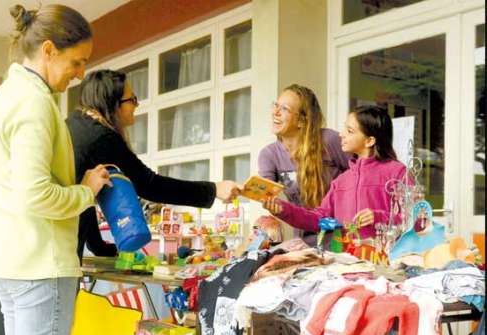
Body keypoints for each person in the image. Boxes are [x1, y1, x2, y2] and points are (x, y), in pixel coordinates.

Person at [0, 4, 110, 335]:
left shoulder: (5, 94)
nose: (81, 73)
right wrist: (86, 190)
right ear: (49, 50)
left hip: (9, 259)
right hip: (39, 263)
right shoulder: (34, 103)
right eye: (77, 62)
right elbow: (36, 193)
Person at [66, 69, 242, 259]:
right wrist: (214, 190)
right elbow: (150, 185)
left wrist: (98, 246)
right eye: (131, 99)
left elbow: (84, 193)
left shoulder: (76, 125)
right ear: (113, 104)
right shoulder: (101, 137)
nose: (136, 105)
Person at [262, 105, 407, 240]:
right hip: (347, 262)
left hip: (386, 263)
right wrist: (283, 209)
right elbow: (319, 220)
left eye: (349, 131)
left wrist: (379, 218)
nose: (341, 134)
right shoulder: (341, 181)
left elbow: (416, 219)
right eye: (344, 128)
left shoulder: (397, 173)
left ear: (369, 141)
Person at [258, 85, 350, 243]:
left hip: (341, 238)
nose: (276, 112)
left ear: (301, 120)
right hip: (304, 241)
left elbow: (362, 174)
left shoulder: (329, 140)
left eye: (285, 109)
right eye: (276, 105)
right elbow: (265, 194)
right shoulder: (269, 155)